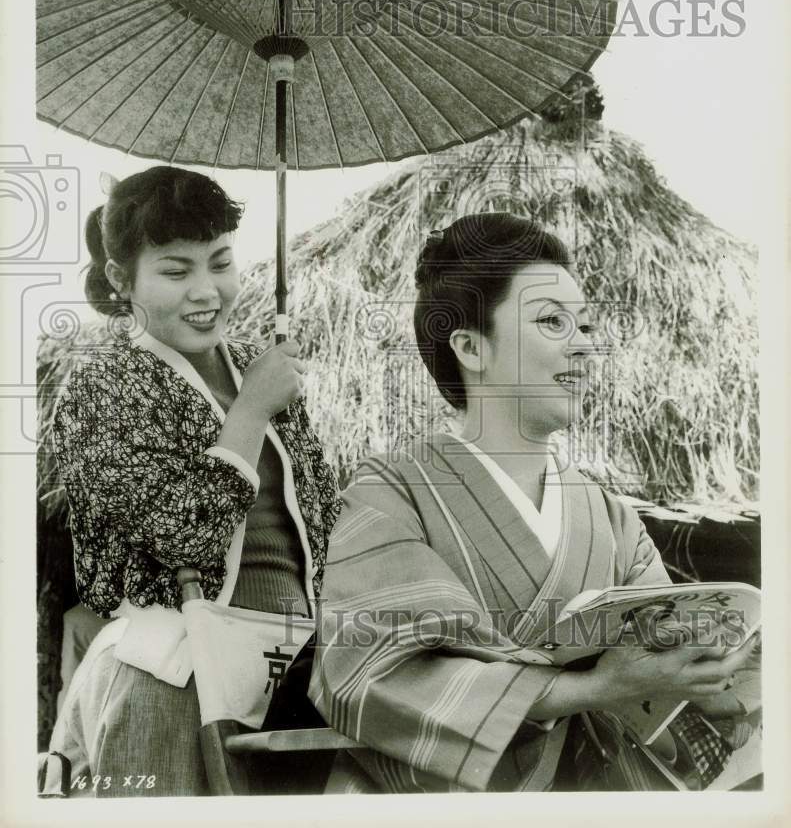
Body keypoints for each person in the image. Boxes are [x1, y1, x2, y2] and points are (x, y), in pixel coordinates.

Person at [308, 213, 760, 792]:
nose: (583, 347)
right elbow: (367, 677)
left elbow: (663, 671)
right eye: (552, 322)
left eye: (586, 326)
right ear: (471, 347)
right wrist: (591, 690)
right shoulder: (388, 497)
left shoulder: (608, 515)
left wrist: (713, 676)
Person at [46, 165, 341, 796]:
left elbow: (322, 528)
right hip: (170, 679)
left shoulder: (264, 372)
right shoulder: (102, 386)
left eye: (221, 262)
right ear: (123, 280)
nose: (207, 290)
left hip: (292, 679)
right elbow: (184, 535)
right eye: (176, 271)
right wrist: (251, 412)